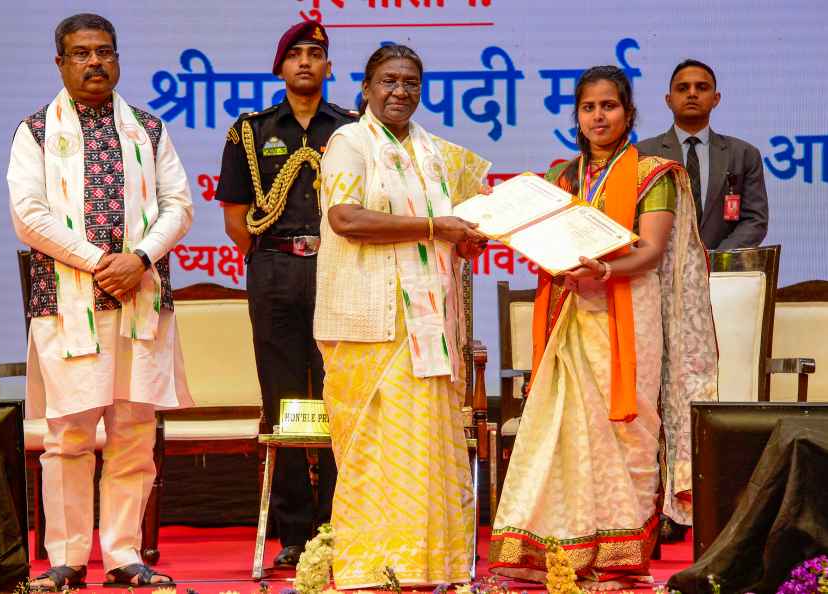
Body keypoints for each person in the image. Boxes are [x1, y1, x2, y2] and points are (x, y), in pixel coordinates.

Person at [488, 66, 718, 591]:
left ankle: (616, 560)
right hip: (569, 311)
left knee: (625, 433)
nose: (598, 116)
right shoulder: (560, 178)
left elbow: (652, 250)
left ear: (629, 113)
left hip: (626, 313)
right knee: (560, 430)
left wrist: (606, 272)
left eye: (609, 106)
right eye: (589, 108)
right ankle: (556, 553)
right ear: (578, 116)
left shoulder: (653, 174)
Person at [7, 13, 193, 589]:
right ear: (60, 63)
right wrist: (100, 264)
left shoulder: (148, 127)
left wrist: (137, 260)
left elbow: (179, 206)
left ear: (118, 59)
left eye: (105, 52)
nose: (95, 63)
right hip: (67, 304)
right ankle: (64, 558)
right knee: (68, 437)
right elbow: (28, 218)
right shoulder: (36, 131)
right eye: (81, 53)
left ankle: (123, 555)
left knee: (135, 431)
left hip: (138, 300)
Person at [314, 44, 492, 589]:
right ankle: (371, 568)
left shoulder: (437, 153)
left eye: (411, 83)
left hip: (428, 328)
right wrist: (439, 228)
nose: (400, 92)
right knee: (374, 452)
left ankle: (427, 566)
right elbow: (345, 218)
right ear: (366, 88)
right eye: (388, 81)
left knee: (429, 452)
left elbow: (467, 217)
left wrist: (468, 238)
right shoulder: (349, 142)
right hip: (369, 324)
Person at [214, 21, 356, 567]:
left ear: (328, 67)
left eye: (315, 54)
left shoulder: (349, 128)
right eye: (294, 54)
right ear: (279, 68)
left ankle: (338, 523)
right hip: (273, 269)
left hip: (338, 269)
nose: (304, 62)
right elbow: (236, 220)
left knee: (339, 393)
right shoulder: (249, 132)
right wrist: (277, 252)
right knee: (283, 399)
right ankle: (294, 533)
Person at [637, 59, 768, 249]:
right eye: (682, 88)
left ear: (716, 98)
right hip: (660, 271)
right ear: (668, 100)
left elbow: (755, 220)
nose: (692, 93)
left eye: (701, 87)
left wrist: (713, 259)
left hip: (721, 270)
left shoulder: (743, 154)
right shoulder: (643, 154)